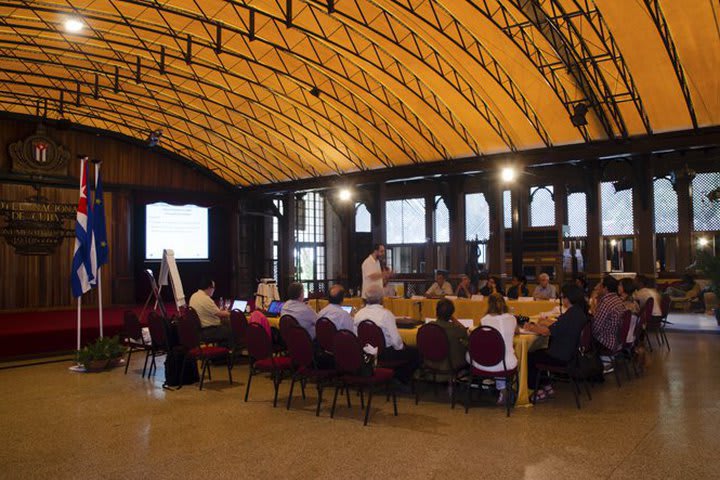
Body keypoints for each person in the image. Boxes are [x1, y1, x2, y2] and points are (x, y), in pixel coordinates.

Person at [524, 285, 588, 401]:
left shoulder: (570, 315)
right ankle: (547, 386)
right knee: (539, 352)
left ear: (567, 299)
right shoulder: (578, 312)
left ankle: (538, 390)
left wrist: (530, 327)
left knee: (530, 356)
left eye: (562, 297)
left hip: (562, 356)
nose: (562, 300)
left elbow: (546, 332)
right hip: (572, 354)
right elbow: (558, 325)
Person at [353, 285, 417, 383]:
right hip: (385, 353)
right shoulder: (386, 314)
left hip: (367, 354)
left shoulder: (359, 314)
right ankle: (400, 378)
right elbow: (396, 342)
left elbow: (355, 336)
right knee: (416, 353)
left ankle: (392, 377)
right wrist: (402, 348)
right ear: (381, 299)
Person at [471, 294, 518, 405]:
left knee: (474, 354)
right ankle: (506, 388)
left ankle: (499, 388)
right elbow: (517, 332)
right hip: (508, 363)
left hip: (486, 363)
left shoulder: (484, 320)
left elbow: (479, 335)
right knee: (504, 353)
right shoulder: (512, 318)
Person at [424, 299, 469, 379]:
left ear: (436, 312)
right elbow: (464, 332)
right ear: (451, 313)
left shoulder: (428, 326)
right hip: (450, 365)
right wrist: (453, 318)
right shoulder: (456, 328)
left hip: (430, 364)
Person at [592, 276, 626, 367]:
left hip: (607, 341)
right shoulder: (617, 299)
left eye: (600, 285)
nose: (597, 287)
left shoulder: (606, 303)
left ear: (605, 288)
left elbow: (595, 328)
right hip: (617, 339)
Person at [189, 278, 231, 344]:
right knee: (233, 330)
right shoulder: (205, 299)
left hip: (198, 331)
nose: (214, 290)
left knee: (226, 327)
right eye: (213, 287)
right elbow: (220, 314)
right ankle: (230, 352)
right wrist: (231, 313)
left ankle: (222, 350)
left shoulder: (194, 296)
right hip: (209, 331)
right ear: (209, 288)